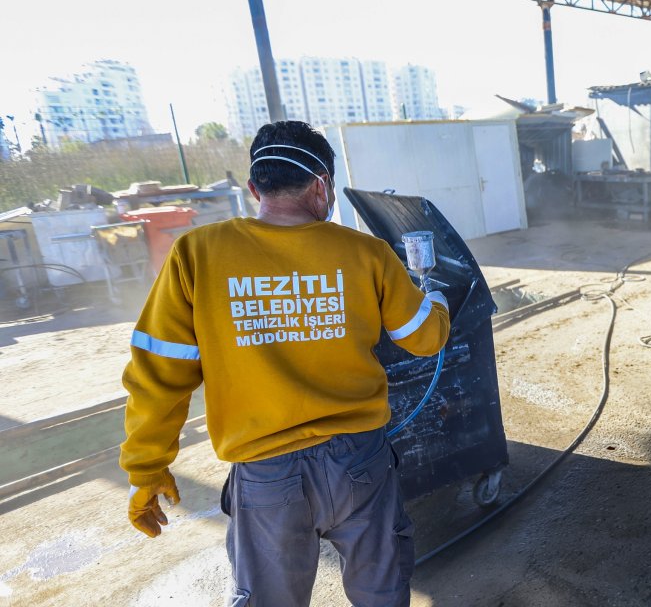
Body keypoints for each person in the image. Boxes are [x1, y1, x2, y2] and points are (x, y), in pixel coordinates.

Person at [119, 120, 449, 606]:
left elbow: (159, 374)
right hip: (359, 464)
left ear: (255, 187)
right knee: (382, 593)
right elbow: (424, 339)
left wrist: (147, 468)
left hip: (265, 477)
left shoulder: (197, 254)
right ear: (322, 185)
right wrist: (434, 298)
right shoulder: (365, 252)